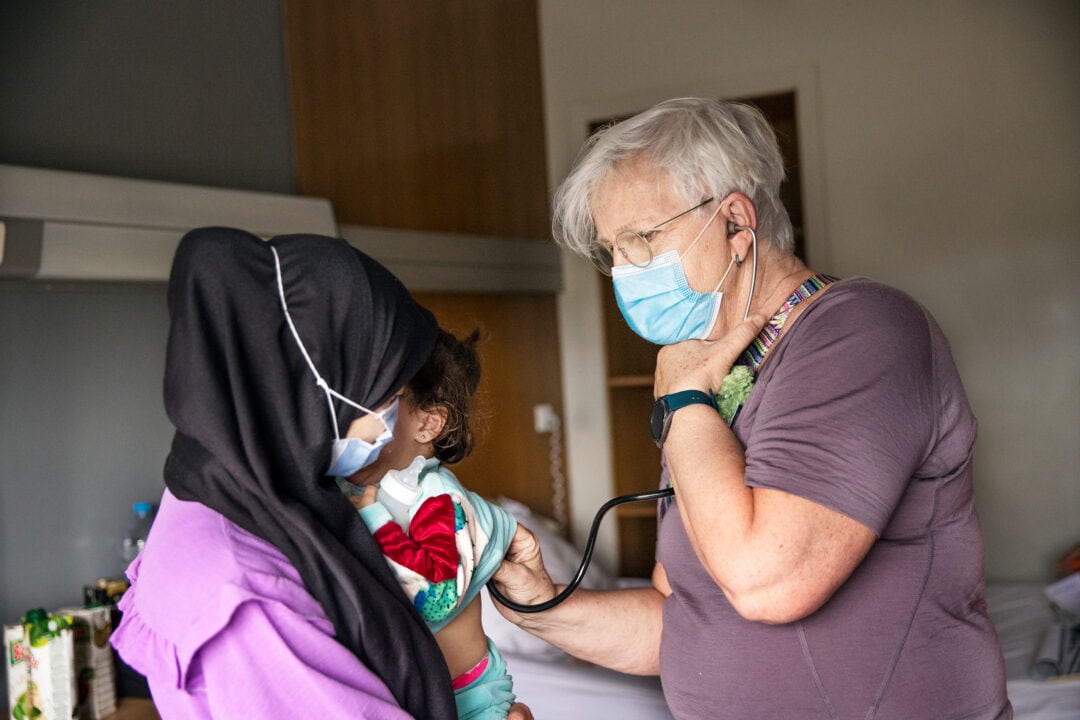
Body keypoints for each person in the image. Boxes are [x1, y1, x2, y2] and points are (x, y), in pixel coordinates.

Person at [490, 98, 1010, 719]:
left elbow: (769, 582)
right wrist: (538, 604)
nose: (624, 271)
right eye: (612, 252)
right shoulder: (721, 383)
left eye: (641, 240)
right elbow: (680, 617)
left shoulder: (862, 331)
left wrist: (680, 401)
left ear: (737, 223)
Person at [110, 227, 533, 719]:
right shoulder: (248, 598)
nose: (390, 419)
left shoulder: (206, 494)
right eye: (389, 397)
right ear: (313, 401)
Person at [337, 327, 518, 719]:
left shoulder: (436, 497)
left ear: (428, 423)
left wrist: (373, 518)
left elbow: (435, 595)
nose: (351, 411)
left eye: (376, 399)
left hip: (468, 701)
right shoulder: (346, 486)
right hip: (402, 696)